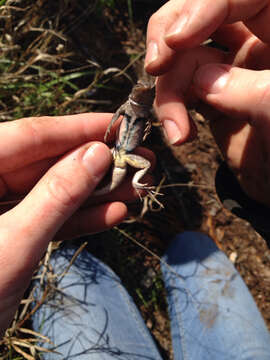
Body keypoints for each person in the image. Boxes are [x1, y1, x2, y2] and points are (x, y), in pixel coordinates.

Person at [1, 0, 270, 358]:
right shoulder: (131, 106)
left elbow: (128, 124)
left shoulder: (140, 110)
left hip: (122, 158)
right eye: (139, 90)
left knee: (66, 264)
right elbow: (115, 124)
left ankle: (69, 247)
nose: (143, 90)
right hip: (118, 157)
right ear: (133, 96)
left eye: (145, 91)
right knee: (194, 247)